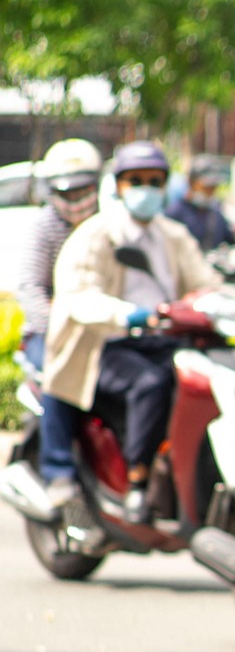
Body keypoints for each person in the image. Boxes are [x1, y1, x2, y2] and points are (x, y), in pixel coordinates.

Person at [43, 140, 220, 524]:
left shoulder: (172, 234)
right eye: (135, 180)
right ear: (119, 185)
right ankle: (138, 481)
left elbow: (205, 281)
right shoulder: (95, 235)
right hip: (104, 344)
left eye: (155, 181)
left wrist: (234, 302)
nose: (146, 189)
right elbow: (78, 296)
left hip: (165, 339)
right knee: (150, 384)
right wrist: (128, 315)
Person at [16, 138, 103, 508]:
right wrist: (60, 326)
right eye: (69, 191)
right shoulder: (45, 228)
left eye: (84, 189)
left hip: (100, 327)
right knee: (59, 372)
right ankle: (58, 469)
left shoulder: (107, 225)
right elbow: (30, 287)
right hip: (51, 333)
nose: (77, 199)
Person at [164, 154, 235, 252]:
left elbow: (230, 241)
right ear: (191, 183)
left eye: (213, 187)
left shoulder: (216, 213)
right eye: (206, 187)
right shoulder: (175, 212)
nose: (210, 191)